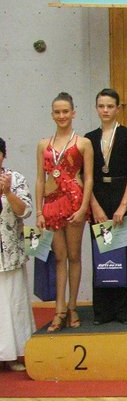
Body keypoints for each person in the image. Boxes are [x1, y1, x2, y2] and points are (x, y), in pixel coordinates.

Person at [36, 92, 94, 332]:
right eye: (57, 112)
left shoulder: (83, 143)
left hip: (74, 202)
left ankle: (72, 307)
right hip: (51, 204)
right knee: (59, 257)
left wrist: (83, 208)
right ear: (52, 115)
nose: (62, 116)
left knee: (74, 255)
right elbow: (40, 179)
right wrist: (39, 211)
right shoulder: (43, 144)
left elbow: (89, 178)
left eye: (65, 111)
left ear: (73, 113)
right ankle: (58, 310)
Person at [87, 88, 127, 325]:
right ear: (96, 108)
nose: (106, 110)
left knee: (126, 254)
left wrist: (123, 205)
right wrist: (94, 206)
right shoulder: (89, 138)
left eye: (110, 106)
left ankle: (126, 311)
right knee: (102, 252)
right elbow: (84, 175)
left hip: (122, 196)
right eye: (101, 106)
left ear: (118, 108)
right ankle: (103, 311)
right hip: (98, 196)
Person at [0, 138, 35, 371]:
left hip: (11, 253)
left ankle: (13, 355)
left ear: (3, 155)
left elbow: (25, 212)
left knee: (13, 304)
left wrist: (7, 192)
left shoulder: (16, 179)